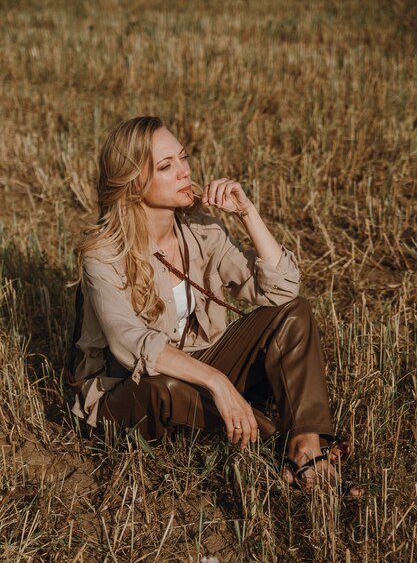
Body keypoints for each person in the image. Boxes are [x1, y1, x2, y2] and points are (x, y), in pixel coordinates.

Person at [70, 116, 360, 496]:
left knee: (295, 313)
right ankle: (280, 445)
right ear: (133, 183)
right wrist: (218, 383)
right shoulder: (103, 256)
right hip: (131, 392)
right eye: (166, 166)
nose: (185, 171)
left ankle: (305, 445)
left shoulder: (203, 231)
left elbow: (281, 291)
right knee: (165, 385)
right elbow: (132, 346)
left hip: (200, 363)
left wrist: (247, 213)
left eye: (184, 158)